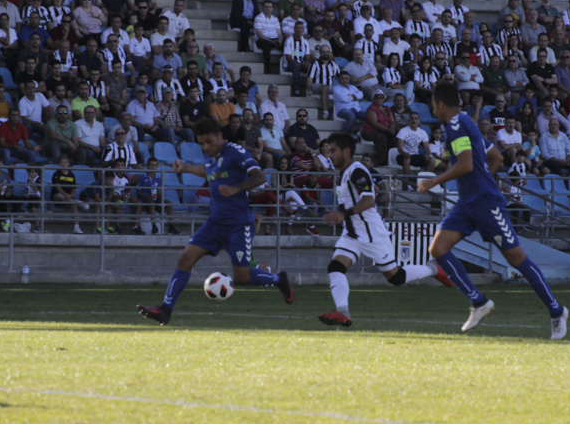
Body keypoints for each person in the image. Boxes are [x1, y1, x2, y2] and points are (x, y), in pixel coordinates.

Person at [417, 81, 568, 338]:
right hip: (468, 203)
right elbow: (496, 158)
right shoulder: (467, 123)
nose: (433, 112)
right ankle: (478, 301)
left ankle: (557, 311)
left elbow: (465, 165)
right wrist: (482, 180)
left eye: (433, 107)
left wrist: (433, 180)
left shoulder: (455, 125)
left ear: (441, 105)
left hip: (485, 203)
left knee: (516, 259)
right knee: (437, 249)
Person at [137, 118, 295, 326]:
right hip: (215, 222)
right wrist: (185, 167)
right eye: (201, 143)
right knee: (185, 259)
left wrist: (236, 188)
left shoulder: (235, 152)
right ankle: (165, 309)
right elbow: (208, 170)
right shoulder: (210, 155)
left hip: (238, 224)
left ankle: (279, 279)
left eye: (209, 142)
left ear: (220, 137)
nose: (205, 147)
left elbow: (260, 177)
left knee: (243, 277)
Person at [317, 132, 453, 326]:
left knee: (395, 277)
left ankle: (433, 268)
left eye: (333, 151)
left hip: (371, 233)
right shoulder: (345, 172)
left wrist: (342, 214)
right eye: (328, 151)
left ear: (346, 151)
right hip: (352, 233)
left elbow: (369, 200)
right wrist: (340, 214)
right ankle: (343, 312)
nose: (329, 155)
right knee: (335, 267)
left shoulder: (357, 171)